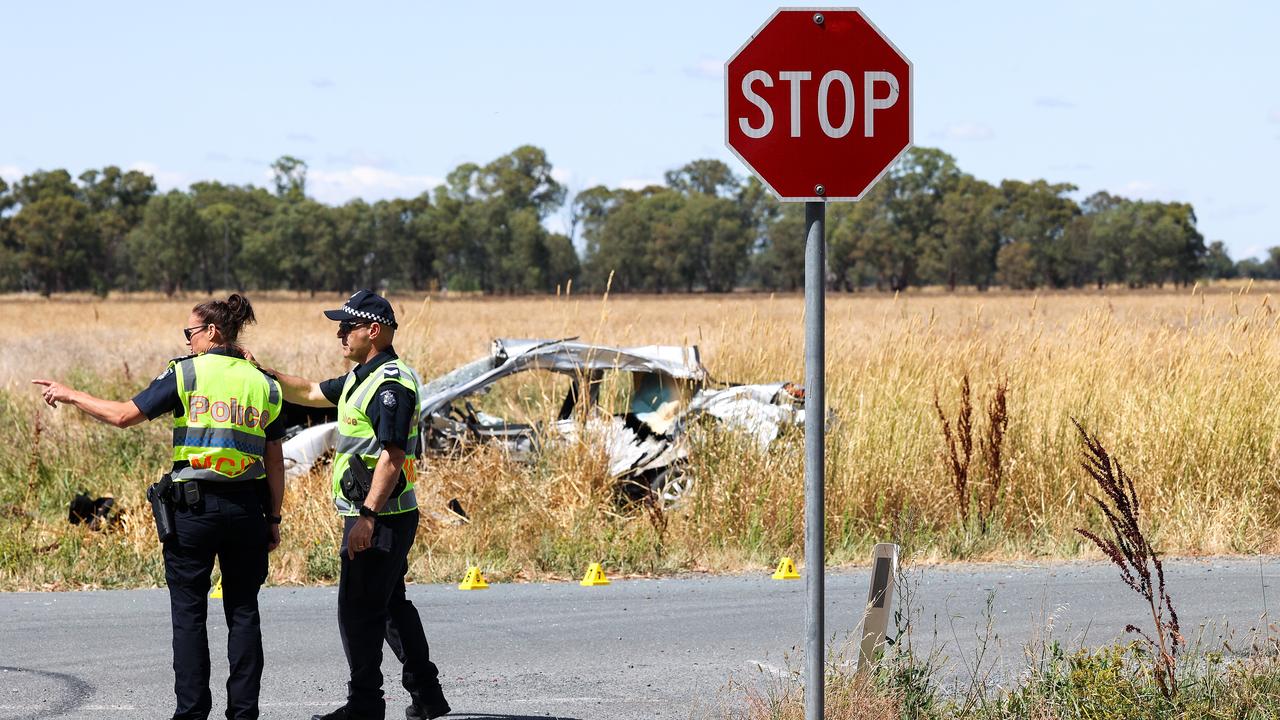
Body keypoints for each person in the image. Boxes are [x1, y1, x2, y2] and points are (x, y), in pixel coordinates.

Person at [33, 293, 285, 720]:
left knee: (189, 614)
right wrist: (274, 518)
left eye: (191, 333)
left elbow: (120, 416)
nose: (186, 341)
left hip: (194, 512)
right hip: (246, 510)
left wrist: (71, 394)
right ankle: (243, 714)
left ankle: (191, 713)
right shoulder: (263, 382)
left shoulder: (186, 375)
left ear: (213, 332)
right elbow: (274, 458)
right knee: (243, 612)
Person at [263, 289, 449, 720]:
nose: (340, 334)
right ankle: (428, 694)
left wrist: (366, 516)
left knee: (357, 612)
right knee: (388, 606)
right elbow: (309, 391)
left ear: (374, 330)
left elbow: (393, 455)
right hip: (380, 515)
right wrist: (263, 373)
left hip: (379, 517)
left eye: (347, 327)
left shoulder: (390, 385)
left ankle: (365, 704)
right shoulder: (359, 377)